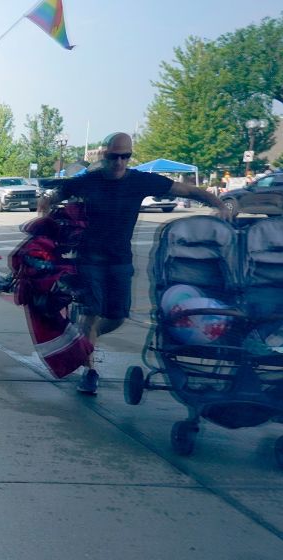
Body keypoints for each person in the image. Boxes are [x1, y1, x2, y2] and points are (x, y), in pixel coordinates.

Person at [37, 132, 226, 395]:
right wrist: (45, 210)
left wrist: (219, 204)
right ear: (105, 155)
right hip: (89, 258)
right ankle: (90, 372)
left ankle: (84, 337)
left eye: (125, 157)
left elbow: (187, 190)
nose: (119, 162)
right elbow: (54, 196)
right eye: (115, 157)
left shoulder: (139, 181)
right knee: (92, 313)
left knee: (117, 317)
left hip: (119, 259)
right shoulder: (89, 181)